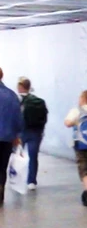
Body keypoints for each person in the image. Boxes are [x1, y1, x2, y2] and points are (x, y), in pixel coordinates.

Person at [17, 77, 48, 190]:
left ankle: (17, 179)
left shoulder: (18, 100)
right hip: (36, 132)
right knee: (33, 157)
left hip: (22, 132)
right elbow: (44, 118)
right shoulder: (39, 101)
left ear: (20, 87)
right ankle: (31, 181)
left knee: (17, 156)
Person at [0, 67, 24, 207]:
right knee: (2, 167)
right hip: (7, 137)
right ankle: (0, 192)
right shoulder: (11, 95)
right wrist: (17, 135)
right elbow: (18, 117)